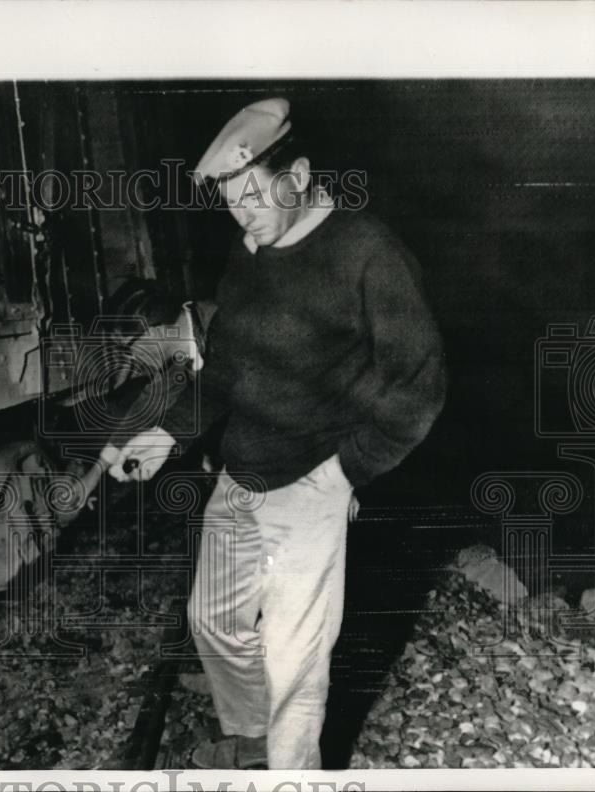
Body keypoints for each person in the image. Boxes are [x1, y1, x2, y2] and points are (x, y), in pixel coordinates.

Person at [101, 98, 447, 769]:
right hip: (240, 476)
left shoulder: (368, 253)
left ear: (299, 175)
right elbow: (226, 366)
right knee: (214, 625)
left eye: (252, 195)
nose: (243, 214)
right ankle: (256, 738)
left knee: (295, 666)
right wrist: (165, 435)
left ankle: (291, 771)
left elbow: (420, 381)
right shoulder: (251, 250)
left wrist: (347, 471)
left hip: (311, 483)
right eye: (231, 202)